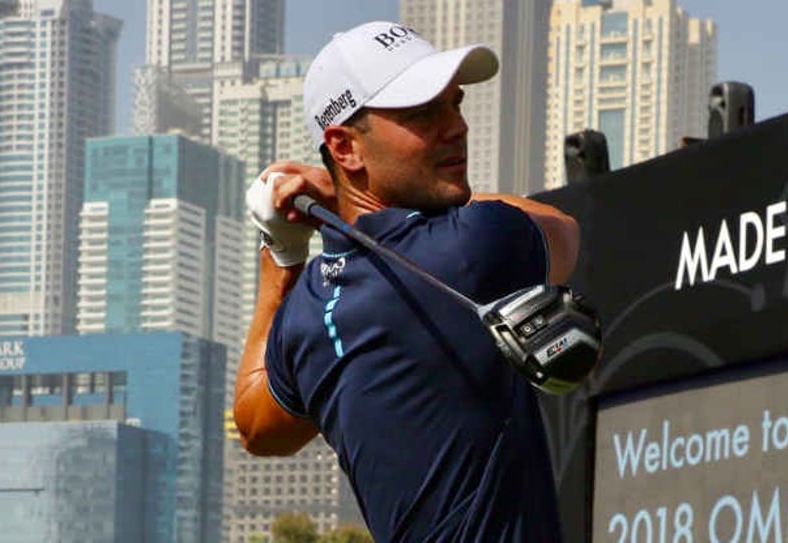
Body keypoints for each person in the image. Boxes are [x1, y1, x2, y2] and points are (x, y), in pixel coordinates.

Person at [233, 21, 579, 542]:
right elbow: (564, 231)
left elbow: (258, 426)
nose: (456, 126)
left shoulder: (307, 309)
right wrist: (332, 193)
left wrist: (282, 252)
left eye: (455, 104)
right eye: (423, 112)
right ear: (344, 148)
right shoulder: (473, 245)